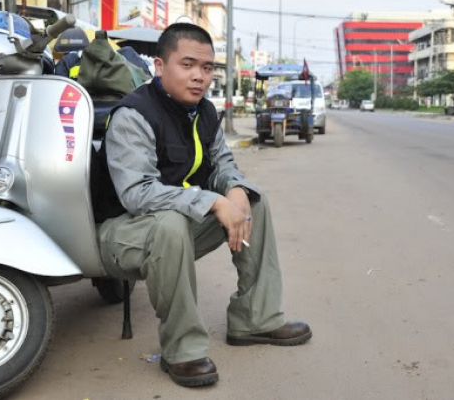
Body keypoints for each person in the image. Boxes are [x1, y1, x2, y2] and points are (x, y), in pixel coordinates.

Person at [95, 23, 311, 388]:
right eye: (188, 64)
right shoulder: (134, 115)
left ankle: (254, 318)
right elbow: (138, 193)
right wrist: (211, 201)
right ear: (160, 66)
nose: (199, 76)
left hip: (174, 228)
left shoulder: (204, 112)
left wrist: (237, 190)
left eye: (207, 68)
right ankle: (183, 349)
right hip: (122, 234)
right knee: (170, 224)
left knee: (254, 203)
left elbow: (222, 163)